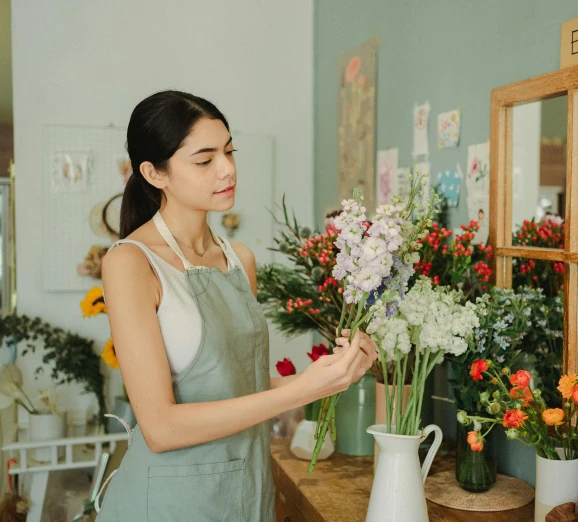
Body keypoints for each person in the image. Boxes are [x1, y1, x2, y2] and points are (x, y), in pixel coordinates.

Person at [95, 91, 377, 521]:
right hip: (170, 506)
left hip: (247, 494)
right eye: (205, 160)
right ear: (155, 173)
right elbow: (160, 428)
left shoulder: (238, 258)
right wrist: (302, 390)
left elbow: (239, 389)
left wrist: (330, 378)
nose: (228, 169)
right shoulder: (131, 262)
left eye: (229, 151)